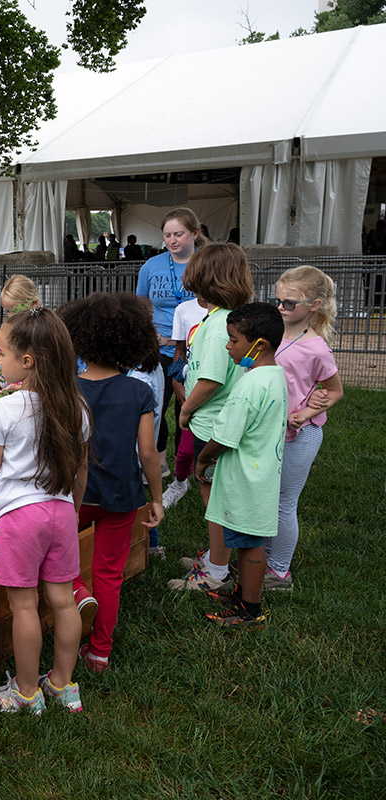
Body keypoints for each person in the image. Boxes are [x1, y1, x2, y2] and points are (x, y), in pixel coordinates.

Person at [0, 306, 89, 713]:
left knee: (25, 606)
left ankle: (26, 693)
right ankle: (64, 685)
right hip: (61, 511)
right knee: (64, 602)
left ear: (27, 362)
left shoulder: (3, 410)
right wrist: (75, 511)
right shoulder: (77, 407)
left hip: (19, 516)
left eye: (1, 353)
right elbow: (80, 470)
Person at [58, 294, 165, 673]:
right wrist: (157, 498)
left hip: (74, 494)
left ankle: (75, 589)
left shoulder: (67, 388)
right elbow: (149, 454)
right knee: (110, 574)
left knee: (60, 558)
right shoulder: (140, 391)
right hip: (123, 496)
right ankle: (100, 652)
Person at [194, 303, 288, 629]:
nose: (227, 346)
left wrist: (203, 459)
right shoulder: (274, 376)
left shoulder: (248, 385)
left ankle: (251, 609)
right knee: (247, 541)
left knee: (249, 545)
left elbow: (225, 435)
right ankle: (242, 591)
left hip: (246, 479)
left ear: (258, 344)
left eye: (233, 340)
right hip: (261, 474)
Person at [169, 243, 254, 592]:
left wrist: (186, 409)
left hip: (212, 425)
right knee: (213, 496)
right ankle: (216, 559)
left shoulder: (220, 324)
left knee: (215, 502)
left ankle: (216, 573)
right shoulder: (220, 319)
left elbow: (211, 380)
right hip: (212, 423)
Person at [263, 266, 344, 591]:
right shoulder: (270, 332)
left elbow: (335, 390)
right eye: (277, 300)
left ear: (315, 305)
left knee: (284, 502)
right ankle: (260, 557)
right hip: (266, 431)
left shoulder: (317, 349)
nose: (281, 307)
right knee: (266, 497)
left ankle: (279, 571)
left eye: (289, 303)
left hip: (299, 436)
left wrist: (307, 412)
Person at [137, 208, 206, 479]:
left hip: (197, 348)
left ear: (195, 234)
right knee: (154, 405)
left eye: (179, 234)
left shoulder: (206, 263)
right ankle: (160, 459)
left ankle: (186, 466)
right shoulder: (151, 266)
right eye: (167, 235)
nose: (172, 240)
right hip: (159, 349)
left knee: (187, 409)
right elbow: (142, 303)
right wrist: (149, 333)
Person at [162, 294, 209, 509]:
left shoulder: (231, 311)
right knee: (187, 448)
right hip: (189, 388)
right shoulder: (184, 310)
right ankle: (180, 483)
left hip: (216, 392)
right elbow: (180, 350)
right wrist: (177, 382)